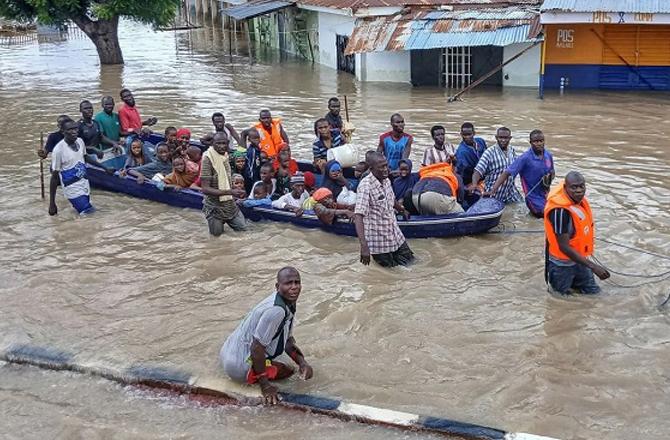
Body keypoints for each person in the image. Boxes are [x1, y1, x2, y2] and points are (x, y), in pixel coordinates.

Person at [220, 267, 313, 405]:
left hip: (227, 353)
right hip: (238, 367)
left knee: (288, 362)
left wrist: (302, 362)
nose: (294, 287)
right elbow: (256, 348)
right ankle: (254, 379)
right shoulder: (277, 311)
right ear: (278, 286)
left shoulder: (285, 302)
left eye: (297, 282)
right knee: (289, 372)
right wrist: (266, 386)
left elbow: (286, 340)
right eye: (288, 283)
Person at [544, 171, 610, 295]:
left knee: (594, 293)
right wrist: (593, 266)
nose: (579, 190)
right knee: (559, 300)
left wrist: (589, 264)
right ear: (565, 188)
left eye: (581, 186)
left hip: (580, 260)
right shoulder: (560, 212)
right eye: (574, 187)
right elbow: (563, 247)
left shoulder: (577, 202)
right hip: (561, 266)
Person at [354, 152, 414, 267]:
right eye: (382, 167)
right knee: (390, 275)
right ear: (371, 169)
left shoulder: (386, 180)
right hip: (379, 242)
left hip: (395, 234)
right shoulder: (365, 186)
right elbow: (358, 215)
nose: (386, 169)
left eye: (386, 165)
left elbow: (391, 199)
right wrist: (364, 246)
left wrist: (401, 209)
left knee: (412, 263)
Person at [485, 130, 555, 217]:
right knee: (545, 215)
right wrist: (492, 191)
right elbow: (506, 173)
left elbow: (552, 172)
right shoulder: (525, 158)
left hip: (545, 194)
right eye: (536, 141)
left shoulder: (548, 155)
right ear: (531, 142)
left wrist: (549, 180)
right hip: (532, 197)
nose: (539, 143)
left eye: (541, 141)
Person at [50, 120, 101, 215]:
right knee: (90, 213)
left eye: (75, 128)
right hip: (71, 187)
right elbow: (54, 177)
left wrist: (105, 168)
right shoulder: (58, 150)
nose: (74, 131)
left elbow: (85, 157)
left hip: (84, 183)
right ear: (63, 132)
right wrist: (52, 203)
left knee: (83, 214)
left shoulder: (80, 141)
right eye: (70, 129)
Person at [200, 133, 247, 236]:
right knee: (217, 237)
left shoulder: (225, 155)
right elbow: (205, 189)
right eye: (218, 143)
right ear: (213, 144)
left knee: (243, 231)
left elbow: (242, 149)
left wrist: (235, 191)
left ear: (228, 144)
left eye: (224, 143)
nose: (222, 146)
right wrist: (230, 192)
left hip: (230, 204)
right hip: (214, 207)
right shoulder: (208, 159)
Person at [468, 127, 522, 204]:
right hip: (493, 193)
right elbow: (478, 171)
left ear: (510, 138)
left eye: (506, 138)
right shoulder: (489, 152)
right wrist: (474, 184)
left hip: (510, 192)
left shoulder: (512, 150)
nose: (503, 140)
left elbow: (518, 168)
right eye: (500, 137)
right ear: (496, 137)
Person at [455, 122, 487, 186]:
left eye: (469, 134)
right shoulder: (462, 152)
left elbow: (488, 156)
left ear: (474, 133)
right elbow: (462, 172)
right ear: (461, 134)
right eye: (465, 135)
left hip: (485, 172)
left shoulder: (481, 141)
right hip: (471, 178)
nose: (467, 137)